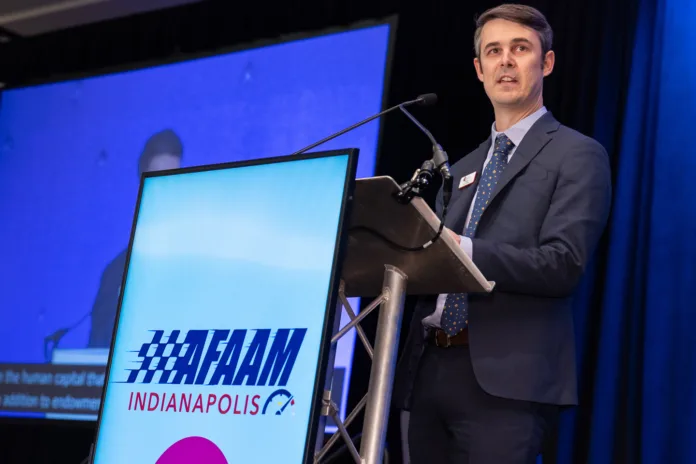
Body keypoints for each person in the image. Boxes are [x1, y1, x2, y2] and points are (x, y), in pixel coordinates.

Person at [393, 4, 612, 463]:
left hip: (507, 384)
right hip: (426, 372)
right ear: (479, 69)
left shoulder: (578, 155)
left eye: (520, 48)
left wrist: (466, 250)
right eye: (494, 51)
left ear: (546, 63)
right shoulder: (463, 166)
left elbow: (563, 264)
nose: (506, 60)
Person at [88, 129, 183, 348]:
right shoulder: (116, 273)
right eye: (159, 180)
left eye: (175, 179)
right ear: (141, 185)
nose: (168, 190)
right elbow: (93, 361)